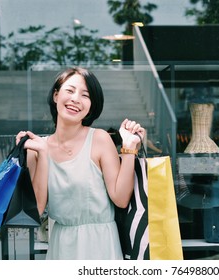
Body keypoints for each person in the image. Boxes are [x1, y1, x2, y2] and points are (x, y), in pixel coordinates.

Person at [15, 67, 145, 260]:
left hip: (102, 245)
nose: (76, 99)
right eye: (70, 90)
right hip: (61, 246)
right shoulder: (38, 148)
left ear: (91, 106)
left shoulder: (99, 139)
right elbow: (38, 210)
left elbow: (120, 198)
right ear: (56, 95)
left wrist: (129, 148)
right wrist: (42, 153)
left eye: (85, 95)